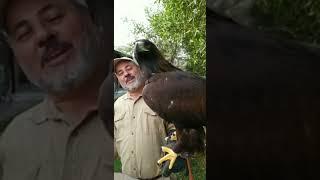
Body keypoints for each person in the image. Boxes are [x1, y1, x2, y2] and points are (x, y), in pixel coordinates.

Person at [0, 0, 114, 179]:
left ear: (92, 19)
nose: (42, 35)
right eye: (24, 33)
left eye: (53, 17)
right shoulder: (14, 137)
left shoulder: (138, 115)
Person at [113, 57, 176, 180]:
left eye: (129, 68)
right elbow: (115, 140)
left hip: (160, 177)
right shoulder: (117, 105)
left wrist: (176, 146)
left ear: (140, 70)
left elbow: (177, 130)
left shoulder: (160, 98)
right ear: (118, 78)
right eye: (120, 73)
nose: (126, 74)